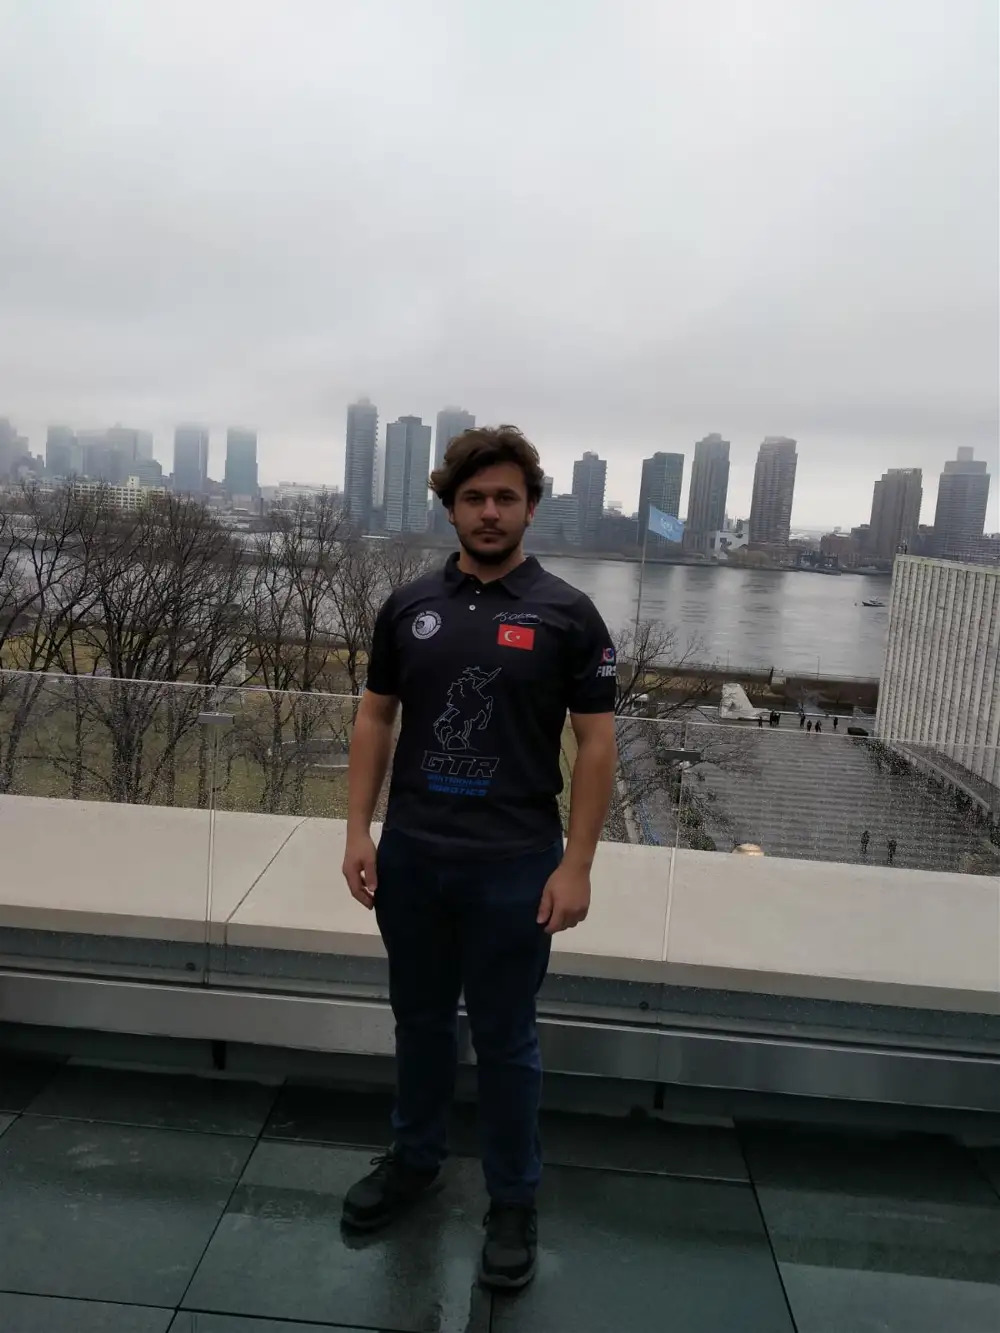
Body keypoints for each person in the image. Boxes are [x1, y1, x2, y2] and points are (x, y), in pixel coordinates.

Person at [340, 425, 618, 1290]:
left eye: (504, 497)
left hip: (514, 864)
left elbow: (597, 744)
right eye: (473, 498)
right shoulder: (409, 606)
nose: (489, 511)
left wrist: (577, 863)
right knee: (419, 1022)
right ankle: (415, 1159)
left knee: (505, 1037)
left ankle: (512, 1198)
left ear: (531, 508)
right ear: (450, 509)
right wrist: (357, 830)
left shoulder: (569, 613)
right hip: (414, 857)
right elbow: (375, 716)